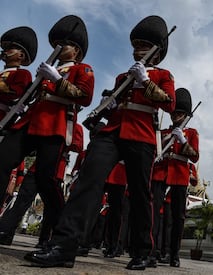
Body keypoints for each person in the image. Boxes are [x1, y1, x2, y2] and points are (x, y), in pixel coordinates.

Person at [24, 15, 175, 270]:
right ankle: (64, 245)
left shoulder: (163, 75)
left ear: (157, 51)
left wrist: (146, 82)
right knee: (87, 182)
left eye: (144, 45)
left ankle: (142, 251)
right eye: (136, 44)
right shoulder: (121, 77)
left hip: (141, 134)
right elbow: (112, 106)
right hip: (113, 131)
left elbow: (169, 104)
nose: (137, 49)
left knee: (140, 194)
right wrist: (107, 109)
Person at [0, 14, 93, 251]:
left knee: (46, 181)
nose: (60, 48)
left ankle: (55, 232)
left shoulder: (83, 69)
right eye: (58, 43)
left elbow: (84, 96)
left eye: (67, 44)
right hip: (30, 122)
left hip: (54, 124)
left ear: (77, 51)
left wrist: (57, 80)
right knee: (2, 162)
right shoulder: (48, 68)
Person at [0, 123, 84, 247]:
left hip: (55, 170)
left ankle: (47, 239)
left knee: (51, 207)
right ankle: (6, 231)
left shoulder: (74, 126)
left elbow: (77, 146)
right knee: (21, 201)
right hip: (36, 168)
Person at [151, 87, 199, 267]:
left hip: (179, 176)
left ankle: (173, 254)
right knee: (154, 214)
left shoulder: (192, 133)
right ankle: (152, 250)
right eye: (174, 113)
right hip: (160, 174)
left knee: (178, 217)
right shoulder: (163, 133)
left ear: (186, 115)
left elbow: (194, 156)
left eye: (179, 113)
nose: (175, 116)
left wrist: (183, 141)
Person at [0, 26, 37, 201]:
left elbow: (15, 95)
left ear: (21, 55)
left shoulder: (22, 74)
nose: (5, 51)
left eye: (10, 48)